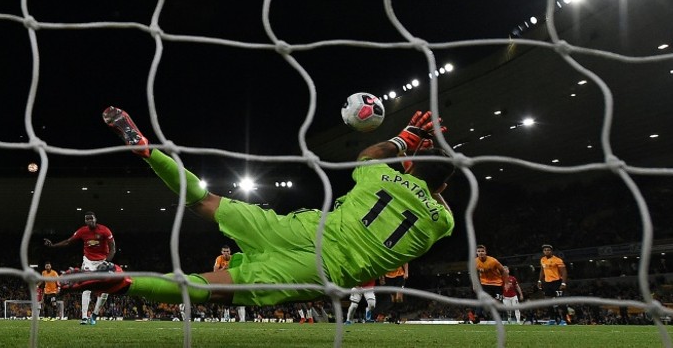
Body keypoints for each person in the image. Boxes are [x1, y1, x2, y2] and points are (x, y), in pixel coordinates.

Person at [62, 106, 454, 309]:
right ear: (445, 186)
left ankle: (150, 153)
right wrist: (434, 173)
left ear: (407, 165)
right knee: (208, 289)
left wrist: (406, 138)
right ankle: (125, 282)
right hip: (320, 269)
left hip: (304, 229)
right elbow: (434, 195)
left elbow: (369, 154)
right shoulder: (443, 221)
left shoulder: (381, 176)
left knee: (206, 199)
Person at [44, 211, 117, 325]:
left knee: (105, 291)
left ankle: (94, 315)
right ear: (85, 221)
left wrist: (107, 262)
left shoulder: (105, 230)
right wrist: (53, 245)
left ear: (95, 219)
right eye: (87, 219)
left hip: (103, 261)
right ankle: (84, 317)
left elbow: (113, 248)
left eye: (91, 218)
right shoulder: (82, 231)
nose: (89, 221)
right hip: (88, 261)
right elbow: (68, 241)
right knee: (86, 287)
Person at [474, 245, 508, 321]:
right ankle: (476, 316)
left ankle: (501, 316)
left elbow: (503, 271)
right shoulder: (475, 261)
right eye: (479, 251)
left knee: (498, 302)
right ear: (476, 253)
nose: (481, 253)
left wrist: (506, 283)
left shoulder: (493, 261)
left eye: (482, 251)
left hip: (497, 284)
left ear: (485, 252)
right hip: (485, 284)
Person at [213, 245, 246, 322]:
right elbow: (215, 272)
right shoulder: (219, 259)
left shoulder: (234, 259)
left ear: (230, 252)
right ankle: (223, 318)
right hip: (223, 281)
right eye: (224, 251)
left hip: (234, 281)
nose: (226, 253)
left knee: (240, 300)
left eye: (227, 251)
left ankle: (242, 319)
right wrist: (225, 268)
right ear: (221, 252)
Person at [537, 244, 568, 325]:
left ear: (551, 251)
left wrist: (563, 282)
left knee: (560, 302)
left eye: (548, 250)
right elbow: (542, 270)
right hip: (547, 283)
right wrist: (539, 281)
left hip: (557, 282)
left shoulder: (557, 260)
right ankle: (552, 320)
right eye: (545, 250)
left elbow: (564, 272)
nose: (546, 251)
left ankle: (563, 320)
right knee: (548, 302)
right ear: (543, 251)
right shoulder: (542, 259)